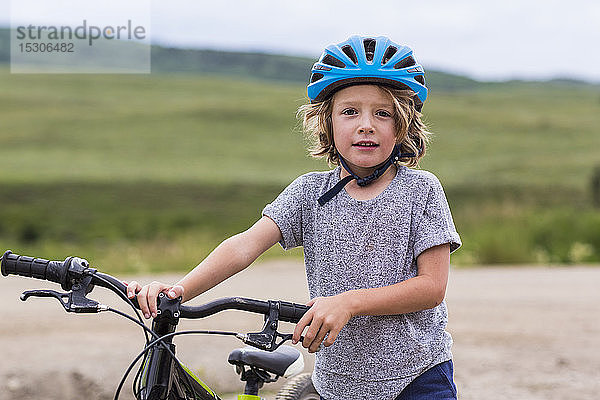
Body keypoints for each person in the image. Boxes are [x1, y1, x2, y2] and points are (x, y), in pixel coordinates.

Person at [127, 35, 461, 400]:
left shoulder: (421, 190)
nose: (366, 125)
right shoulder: (308, 193)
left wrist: (347, 302)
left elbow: (432, 288)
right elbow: (244, 246)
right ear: (327, 124)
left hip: (418, 377)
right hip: (338, 383)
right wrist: (178, 290)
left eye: (383, 113)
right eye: (350, 112)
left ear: (402, 126)